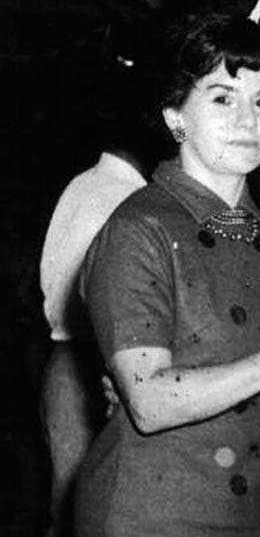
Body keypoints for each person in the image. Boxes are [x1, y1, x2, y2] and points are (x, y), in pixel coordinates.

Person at [73, 10, 260, 537]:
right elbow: (149, 401)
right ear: (175, 117)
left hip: (256, 517)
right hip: (155, 515)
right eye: (221, 98)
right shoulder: (139, 228)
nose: (247, 121)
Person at [40, 110, 148, 535]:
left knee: (66, 508)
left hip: (65, 363)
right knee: (84, 515)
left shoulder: (84, 183)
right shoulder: (123, 200)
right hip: (91, 369)